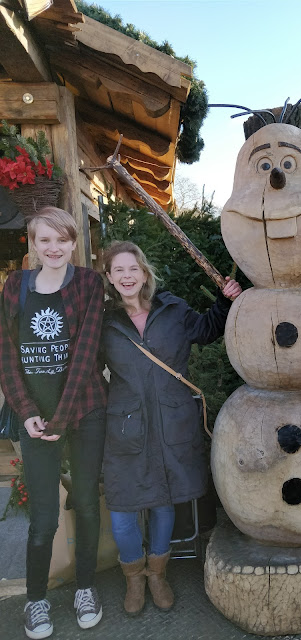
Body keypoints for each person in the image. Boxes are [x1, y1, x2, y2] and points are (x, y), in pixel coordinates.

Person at [101, 240, 242, 616]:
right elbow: (85, 366)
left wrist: (226, 301)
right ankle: (134, 577)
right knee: (122, 509)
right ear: (110, 278)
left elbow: (208, 329)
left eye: (133, 268)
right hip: (126, 427)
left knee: (164, 500)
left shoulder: (172, 309)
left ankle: (157, 575)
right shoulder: (103, 322)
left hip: (170, 421)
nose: (127, 276)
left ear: (144, 273)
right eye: (119, 270)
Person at [0, 207, 107, 639]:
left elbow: (84, 355)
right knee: (43, 515)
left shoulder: (87, 284)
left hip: (83, 412)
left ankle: (85, 589)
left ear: (73, 242)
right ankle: (37, 599)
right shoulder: (14, 286)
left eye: (62, 239)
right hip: (35, 421)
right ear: (33, 244)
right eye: (44, 240)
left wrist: (61, 418)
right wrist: (27, 412)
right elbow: (6, 355)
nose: (54, 248)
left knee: (84, 501)